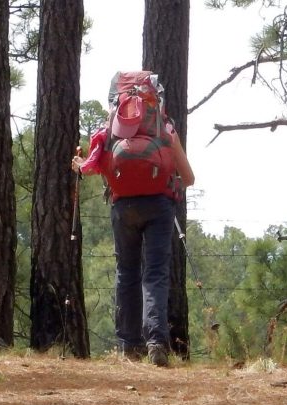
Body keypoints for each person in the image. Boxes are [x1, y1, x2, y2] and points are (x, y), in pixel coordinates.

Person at [72, 76, 195, 367]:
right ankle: (156, 342)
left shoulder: (109, 129)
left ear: (116, 99)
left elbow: (90, 167)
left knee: (126, 273)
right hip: (160, 206)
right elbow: (188, 178)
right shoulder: (164, 128)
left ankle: (128, 345)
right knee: (155, 274)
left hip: (123, 207)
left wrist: (78, 164)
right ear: (155, 98)